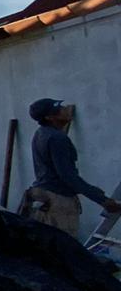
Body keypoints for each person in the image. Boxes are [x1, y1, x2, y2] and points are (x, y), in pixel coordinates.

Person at [20, 98, 121, 235]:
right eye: (59, 109)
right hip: (58, 199)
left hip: (44, 193)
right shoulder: (57, 139)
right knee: (62, 246)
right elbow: (68, 176)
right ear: (50, 117)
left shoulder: (40, 133)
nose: (65, 110)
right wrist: (102, 200)